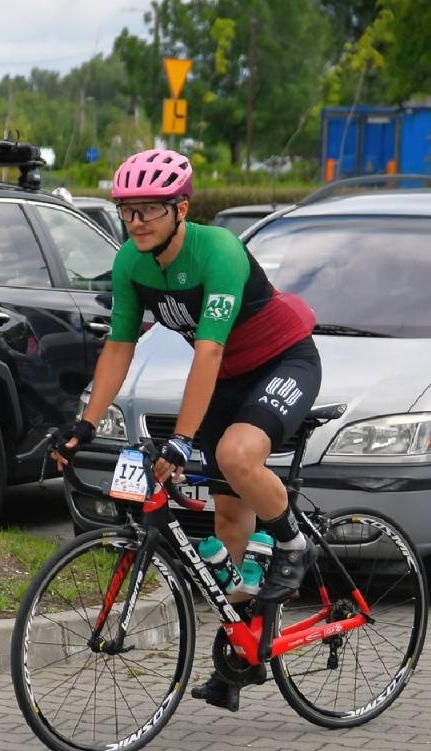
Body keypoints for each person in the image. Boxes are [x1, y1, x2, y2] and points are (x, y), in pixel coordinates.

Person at [55, 149, 322, 709]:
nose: (137, 222)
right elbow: (119, 346)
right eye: (128, 210)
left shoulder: (217, 250)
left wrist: (181, 439)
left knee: (236, 456)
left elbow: (207, 350)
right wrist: (84, 423)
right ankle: (243, 655)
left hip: (283, 360)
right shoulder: (131, 263)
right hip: (228, 378)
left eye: (150, 209)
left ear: (181, 208)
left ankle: (295, 543)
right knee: (227, 525)